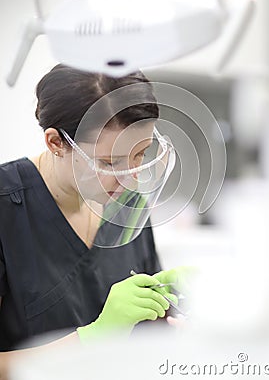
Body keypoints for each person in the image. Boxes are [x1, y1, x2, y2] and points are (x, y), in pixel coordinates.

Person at [0, 64, 182, 375]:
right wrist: (91, 338)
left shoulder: (127, 202)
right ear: (56, 143)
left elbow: (149, 329)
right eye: (108, 163)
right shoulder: (7, 209)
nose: (131, 180)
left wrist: (171, 306)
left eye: (140, 154)